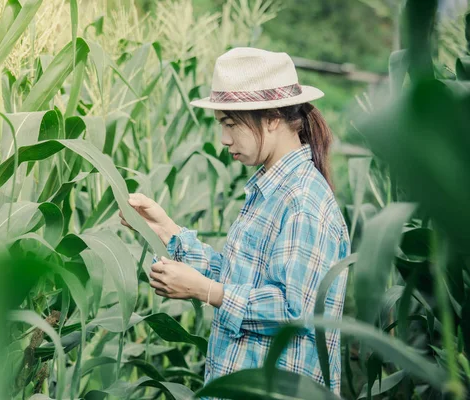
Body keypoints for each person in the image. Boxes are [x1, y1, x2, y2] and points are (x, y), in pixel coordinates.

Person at [119, 47, 350, 397]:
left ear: (272, 118)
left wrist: (203, 290)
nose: (224, 139)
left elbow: (294, 313)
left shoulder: (303, 201)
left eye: (230, 124)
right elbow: (240, 277)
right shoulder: (271, 189)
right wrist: (168, 231)